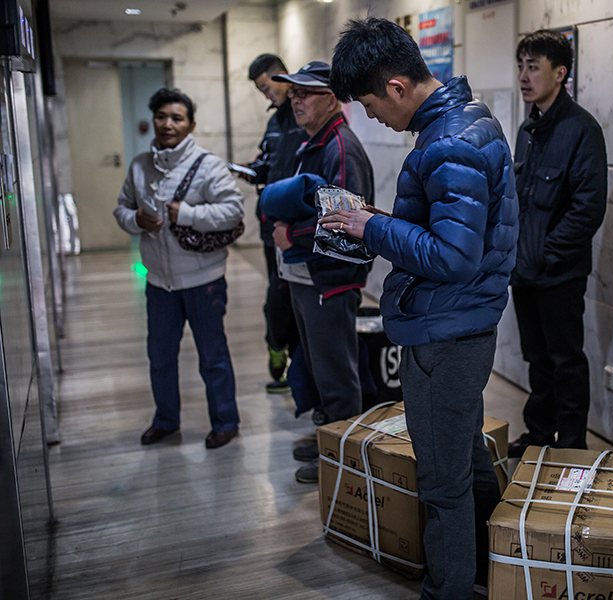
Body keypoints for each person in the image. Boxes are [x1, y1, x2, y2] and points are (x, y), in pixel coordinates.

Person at [324, 18, 518, 599]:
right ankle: (490, 568)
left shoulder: (448, 143)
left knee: (442, 483)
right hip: (462, 320)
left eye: (367, 103)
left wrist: (372, 226)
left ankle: (450, 588)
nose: (370, 117)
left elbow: (454, 255)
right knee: (466, 459)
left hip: (446, 331)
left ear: (397, 86)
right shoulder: (469, 119)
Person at [113, 88, 244, 449]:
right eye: (161, 117)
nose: (168, 124)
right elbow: (121, 209)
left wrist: (187, 214)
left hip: (203, 281)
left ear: (190, 124)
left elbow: (233, 211)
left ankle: (225, 421)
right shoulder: (140, 165)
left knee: (213, 357)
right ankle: (166, 421)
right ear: (153, 120)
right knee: (160, 357)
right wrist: (137, 219)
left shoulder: (209, 165)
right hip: (159, 283)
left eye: (177, 118)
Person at [267, 61, 375, 484]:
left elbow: (347, 222)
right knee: (316, 368)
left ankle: (345, 458)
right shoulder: (311, 142)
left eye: (305, 93)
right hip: (306, 277)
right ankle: (329, 438)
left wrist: (292, 234)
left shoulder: (341, 148)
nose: (295, 99)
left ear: (332, 99)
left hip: (330, 280)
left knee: (336, 375)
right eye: (292, 92)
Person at [507, 30, 608, 458]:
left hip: (558, 272)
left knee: (566, 361)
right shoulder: (528, 128)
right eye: (521, 66)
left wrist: (547, 254)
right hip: (523, 271)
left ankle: (571, 445)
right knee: (537, 359)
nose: (524, 76)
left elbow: (587, 209)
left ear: (560, 73)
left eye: (534, 66)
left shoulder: (582, 130)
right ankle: (538, 433)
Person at [246, 54, 308, 393]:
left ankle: (290, 363)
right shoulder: (275, 122)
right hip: (272, 226)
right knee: (278, 296)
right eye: (260, 91)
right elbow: (269, 161)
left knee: (288, 300)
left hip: (297, 226)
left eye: (267, 87)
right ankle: (281, 351)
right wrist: (253, 169)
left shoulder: (303, 116)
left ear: (282, 76)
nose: (266, 96)